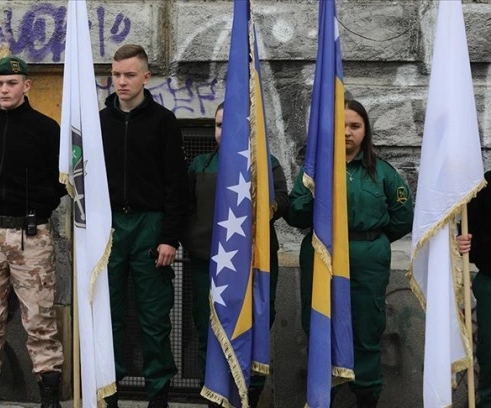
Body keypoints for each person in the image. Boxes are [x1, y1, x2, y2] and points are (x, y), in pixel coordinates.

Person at [286, 99, 413, 407]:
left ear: (365, 131)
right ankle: (323, 395)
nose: (347, 133)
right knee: (320, 328)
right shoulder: (314, 171)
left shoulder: (382, 173)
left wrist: (370, 242)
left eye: (355, 126)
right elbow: (295, 215)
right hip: (323, 257)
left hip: (367, 259)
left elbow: (402, 217)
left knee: (366, 330)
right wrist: (314, 192)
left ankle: (366, 395)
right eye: (340, 126)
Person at [0, 56, 65, 408]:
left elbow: (61, 181)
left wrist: (42, 205)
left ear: (26, 86)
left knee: (40, 318)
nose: (5, 90)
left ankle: (49, 394)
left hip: (31, 233)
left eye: (12, 83)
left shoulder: (46, 128)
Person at [99, 44, 190, 408]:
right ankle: (110, 387)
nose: (121, 82)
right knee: (110, 314)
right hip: (110, 226)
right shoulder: (99, 121)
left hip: (150, 225)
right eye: (117, 75)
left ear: (145, 77)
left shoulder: (163, 121)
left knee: (154, 315)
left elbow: (176, 185)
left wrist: (169, 238)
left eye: (130, 75)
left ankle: (158, 393)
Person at [183, 102, 289, 407]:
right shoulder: (201, 165)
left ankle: (249, 396)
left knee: (253, 332)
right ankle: (214, 396)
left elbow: (282, 200)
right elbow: (185, 206)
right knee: (209, 330)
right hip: (209, 265)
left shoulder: (267, 164)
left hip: (254, 266)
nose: (222, 131)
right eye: (218, 125)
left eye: (230, 125)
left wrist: (255, 202)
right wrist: (193, 240)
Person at [456, 170, 491, 408]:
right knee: (489, 352)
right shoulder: (481, 190)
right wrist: (461, 242)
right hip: (490, 281)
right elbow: (466, 233)